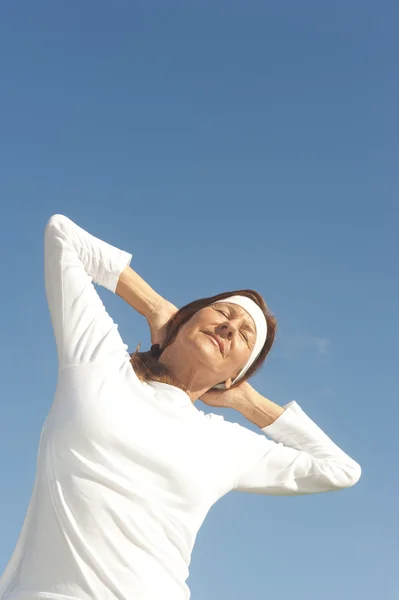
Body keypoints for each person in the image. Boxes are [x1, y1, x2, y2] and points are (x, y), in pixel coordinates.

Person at [0, 214, 361, 600]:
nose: (229, 328)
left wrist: (247, 401)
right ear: (188, 317)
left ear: (236, 373)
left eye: (244, 335)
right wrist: (155, 307)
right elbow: (63, 236)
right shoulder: (99, 364)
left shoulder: (225, 443)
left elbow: (339, 470)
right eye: (224, 313)